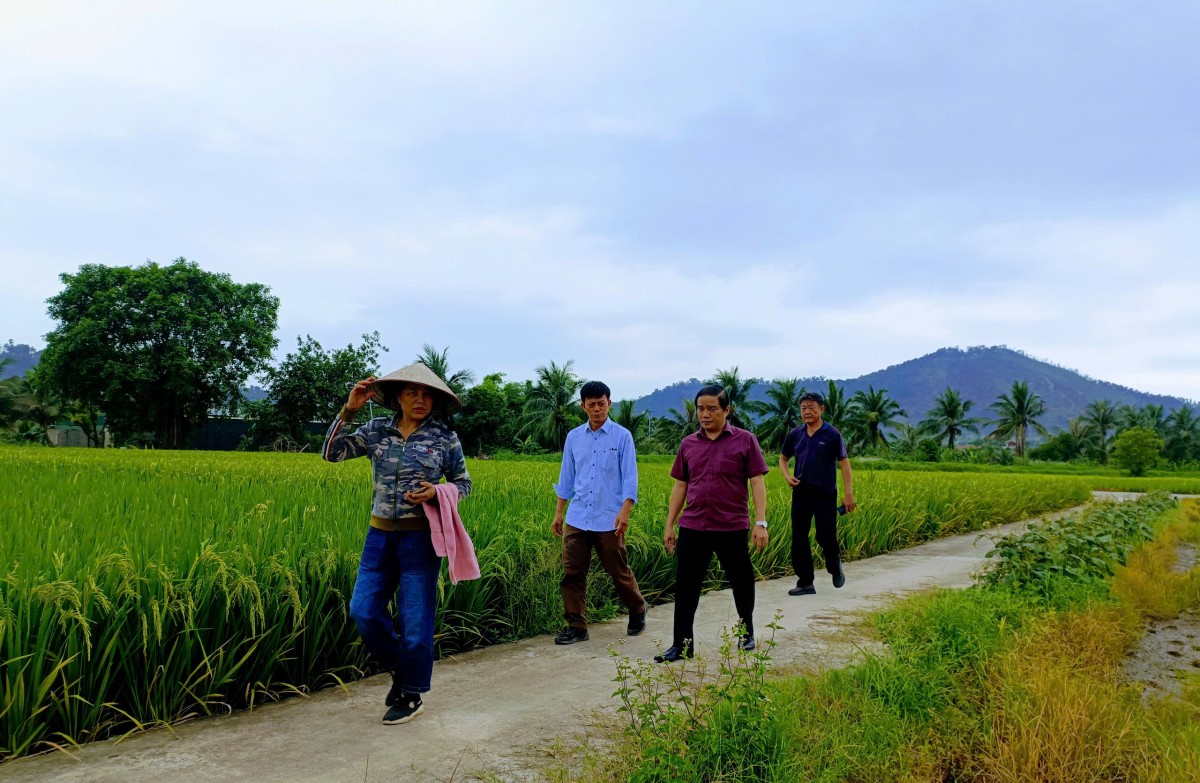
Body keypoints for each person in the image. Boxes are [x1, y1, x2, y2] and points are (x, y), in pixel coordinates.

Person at [322, 362, 473, 725]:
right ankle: (400, 668)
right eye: (412, 393)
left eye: (427, 395)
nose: (420, 400)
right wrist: (349, 410)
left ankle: (412, 693)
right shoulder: (376, 430)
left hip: (420, 540)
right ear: (398, 397)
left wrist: (437, 492)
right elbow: (331, 453)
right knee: (362, 611)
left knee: (416, 621)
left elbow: (463, 484)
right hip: (379, 538)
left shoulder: (444, 438)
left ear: (435, 401)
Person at [656, 384, 769, 663]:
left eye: (712, 409)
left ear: (726, 410)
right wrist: (670, 524)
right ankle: (682, 645)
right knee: (686, 587)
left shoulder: (745, 440)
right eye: (700, 409)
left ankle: (746, 633)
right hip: (694, 525)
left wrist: (761, 522)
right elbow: (680, 486)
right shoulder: (688, 443)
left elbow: (757, 481)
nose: (705, 414)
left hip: (732, 525)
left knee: (741, 582)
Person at [551, 381, 647, 644]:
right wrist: (559, 512)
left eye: (601, 403)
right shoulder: (574, 437)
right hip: (578, 516)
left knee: (617, 569)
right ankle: (576, 626)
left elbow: (630, 477)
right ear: (583, 406)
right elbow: (566, 477)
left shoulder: (622, 436)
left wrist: (625, 511)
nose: (596, 409)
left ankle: (637, 607)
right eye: (591, 404)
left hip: (609, 517)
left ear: (609, 404)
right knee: (572, 573)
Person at [778, 391, 856, 596]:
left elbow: (844, 463)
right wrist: (787, 476)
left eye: (811, 408)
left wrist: (848, 493)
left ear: (821, 409)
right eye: (803, 408)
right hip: (801, 493)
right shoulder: (795, 433)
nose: (807, 411)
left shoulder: (832, 434)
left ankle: (834, 565)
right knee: (799, 538)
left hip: (825, 494)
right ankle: (805, 582)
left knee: (825, 535)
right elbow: (783, 458)